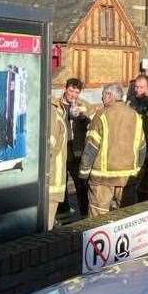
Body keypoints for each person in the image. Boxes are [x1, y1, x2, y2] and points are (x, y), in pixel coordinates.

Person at [78, 83, 145, 217]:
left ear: (110, 95)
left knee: (98, 220)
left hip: (102, 180)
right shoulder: (135, 116)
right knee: (127, 218)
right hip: (127, 178)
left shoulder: (101, 115)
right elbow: (142, 147)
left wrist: (83, 174)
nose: (102, 99)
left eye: (103, 95)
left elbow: (91, 147)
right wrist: (137, 170)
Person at [59, 78, 92, 217]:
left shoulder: (83, 105)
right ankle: (64, 214)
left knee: (81, 184)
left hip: (76, 151)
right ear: (65, 88)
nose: (73, 95)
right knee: (61, 185)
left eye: (76, 92)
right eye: (71, 90)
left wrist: (83, 116)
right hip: (61, 152)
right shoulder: (56, 104)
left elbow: (92, 121)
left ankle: (84, 215)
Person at [125, 73, 148, 205]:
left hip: (147, 147)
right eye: (136, 87)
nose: (137, 90)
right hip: (131, 146)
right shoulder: (130, 101)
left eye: (141, 87)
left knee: (146, 181)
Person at [46, 92, 68, 229]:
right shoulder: (55, 114)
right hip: (53, 180)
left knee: (45, 230)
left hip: (51, 181)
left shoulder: (51, 116)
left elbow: (48, 149)